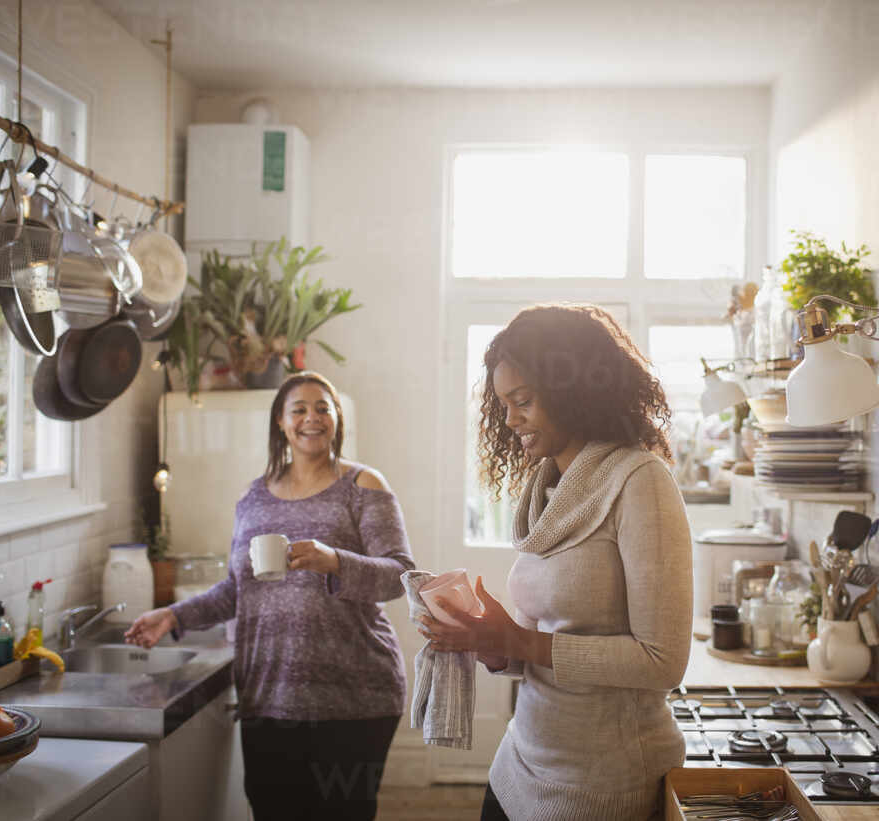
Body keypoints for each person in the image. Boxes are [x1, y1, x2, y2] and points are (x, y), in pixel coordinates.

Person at [418, 304, 693, 821]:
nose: (509, 419)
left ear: (574, 391)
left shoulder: (641, 483)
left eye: (522, 401)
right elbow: (544, 643)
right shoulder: (546, 489)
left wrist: (517, 640)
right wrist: (488, 641)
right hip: (520, 759)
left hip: (596, 784)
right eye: (501, 404)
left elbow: (663, 662)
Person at [125, 371, 415, 821]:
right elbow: (235, 590)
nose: (311, 418)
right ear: (281, 422)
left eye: (323, 407)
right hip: (269, 694)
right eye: (298, 409)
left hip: (354, 695)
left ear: (337, 418)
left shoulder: (363, 486)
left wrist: (335, 561)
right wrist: (173, 616)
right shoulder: (254, 498)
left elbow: (401, 575)